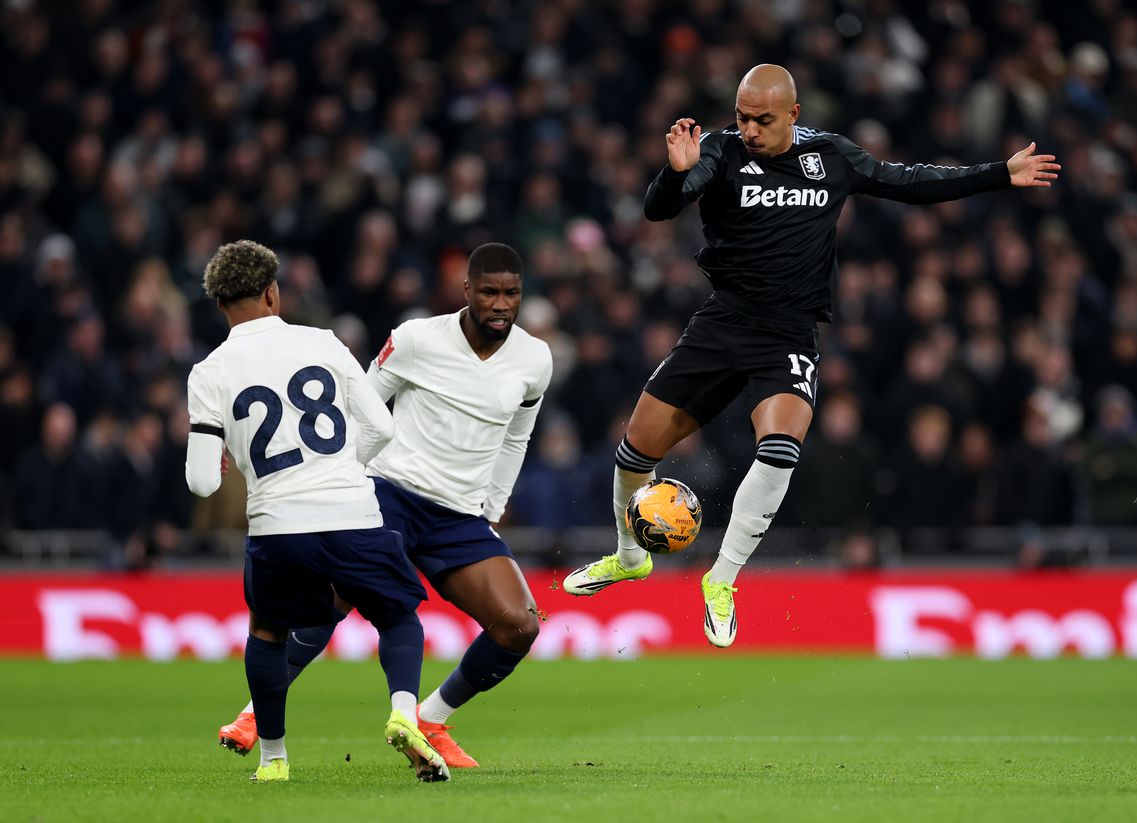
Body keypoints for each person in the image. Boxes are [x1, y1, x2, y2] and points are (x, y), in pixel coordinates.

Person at [563, 64, 1060, 646]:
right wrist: (673, 176)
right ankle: (629, 556)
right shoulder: (719, 151)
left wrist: (999, 173)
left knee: (779, 448)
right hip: (722, 326)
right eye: (743, 116)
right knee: (633, 453)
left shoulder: (831, 157)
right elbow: (658, 210)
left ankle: (720, 579)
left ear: (793, 115)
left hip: (790, 336)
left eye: (762, 120)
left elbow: (911, 183)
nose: (748, 128)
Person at [218, 243, 553, 769]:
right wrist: (337, 479)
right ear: (466, 291)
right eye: (489, 292)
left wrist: (494, 503)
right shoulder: (418, 339)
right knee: (330, 601)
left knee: (520, 625)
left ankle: (431, 719)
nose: (501, 304)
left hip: (460, 515)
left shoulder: (535, 359)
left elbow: (517, 437)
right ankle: (255, 713)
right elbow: (357, 405)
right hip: (387, 494)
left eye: (511, 293)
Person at [186, 240, 448, 783]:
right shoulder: (322, 341)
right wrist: (336, 474)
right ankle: (403, 712)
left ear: (219, 306)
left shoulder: (207, 372)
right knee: (397, 615)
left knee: (267, 634)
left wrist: (228, 466)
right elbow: (382, 427)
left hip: (278, 527)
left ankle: (274, 759)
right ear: (273, 293)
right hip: (351, 510)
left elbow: (201, 482)